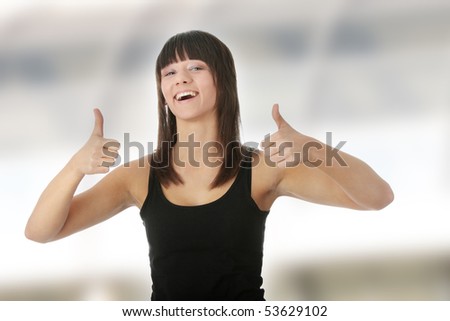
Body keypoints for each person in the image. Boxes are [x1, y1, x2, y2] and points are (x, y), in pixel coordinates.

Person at [25, 30, 394, 301]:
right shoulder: (137, 176)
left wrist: (313, 148)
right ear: (163, 92)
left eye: (195, 66)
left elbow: (376, 197)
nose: (181, 78)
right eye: (169, 72)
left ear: (223, 80)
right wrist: (75, 166)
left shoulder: (263, 169)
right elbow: (40, 232)